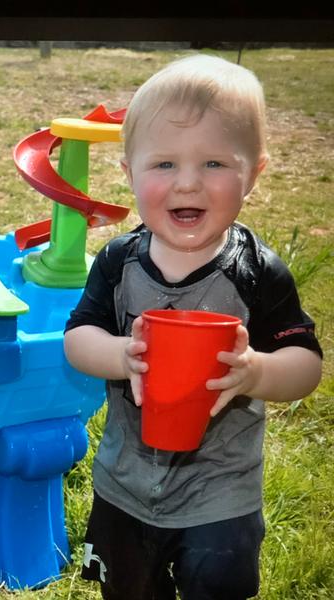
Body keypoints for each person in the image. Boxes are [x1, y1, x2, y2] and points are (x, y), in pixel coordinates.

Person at [63, 54, 323, 600]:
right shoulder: (118, 263)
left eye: (213, 164)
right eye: (163, 165)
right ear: (128, 173)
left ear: (253, 174)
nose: (188, 183)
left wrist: (254, 371)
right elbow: (77, 338)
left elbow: (305, 366)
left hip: (220, 494)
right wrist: (118, 355)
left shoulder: (257, 272)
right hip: (125, 486)